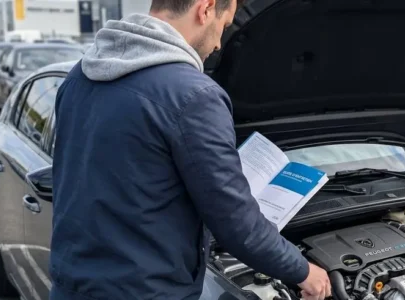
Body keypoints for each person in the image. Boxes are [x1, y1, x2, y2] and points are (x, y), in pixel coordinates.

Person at [49, 0, 332, 299]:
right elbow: (236, 222)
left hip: (71, 286)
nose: (219, 44)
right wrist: (302, 271)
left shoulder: (79, 77)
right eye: (223, 27)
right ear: (206, 8)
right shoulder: (192, 96)